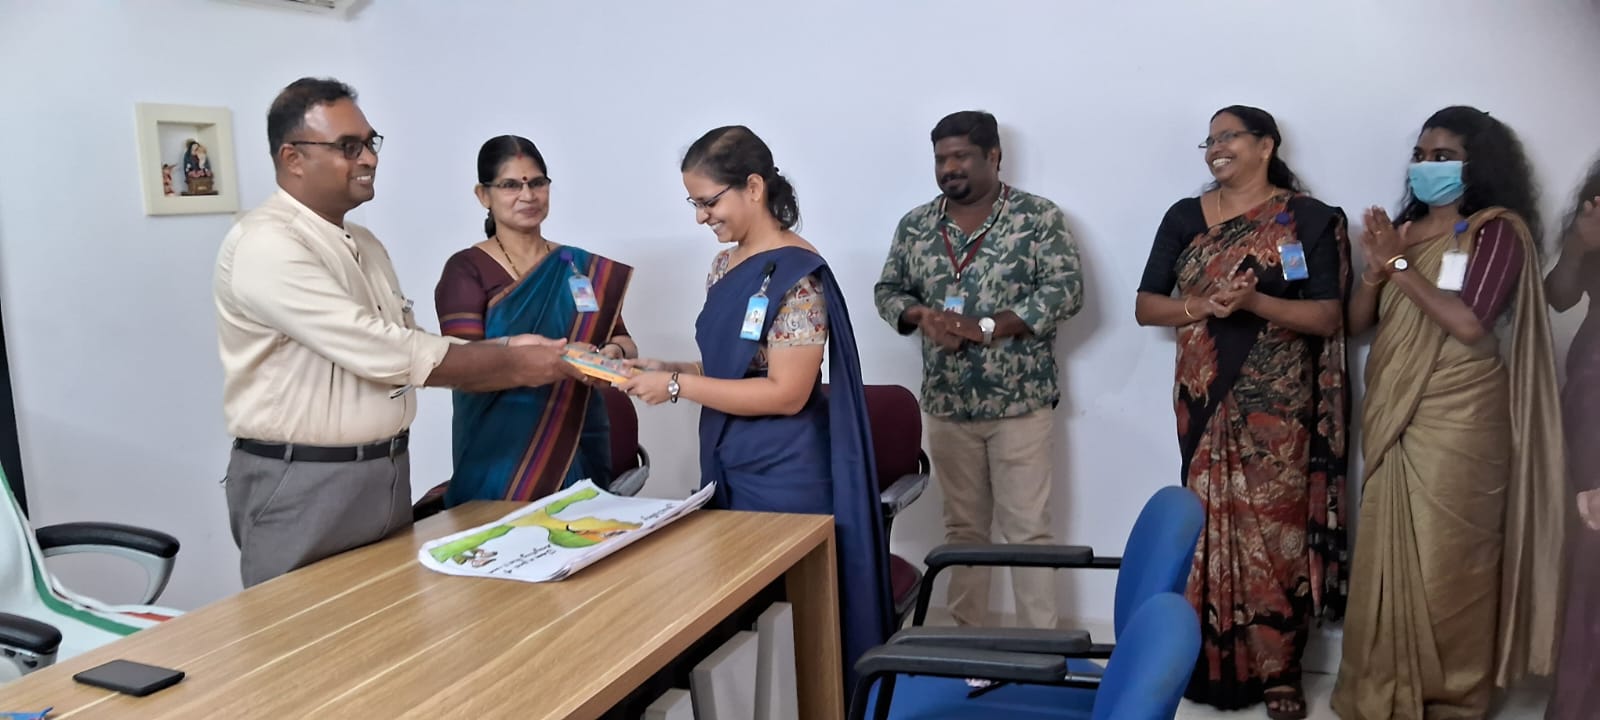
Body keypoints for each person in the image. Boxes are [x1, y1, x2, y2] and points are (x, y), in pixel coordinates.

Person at [212, 78, 582, 588]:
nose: (368, 158)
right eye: (348, 147)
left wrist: (508, 346)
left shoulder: (361, 240)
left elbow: (407, 337)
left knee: (388, 636)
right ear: (293, 158)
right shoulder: (267, 243)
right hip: (305, 480)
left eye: (370, 143)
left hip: (384, 469)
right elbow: (385, 350)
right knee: (301, 643)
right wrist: (515, 361)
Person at [617, 125, 893, 690]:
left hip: (786, 472)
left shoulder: (797, 274)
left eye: (708, 202)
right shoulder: (726, 266)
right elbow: (731, 370)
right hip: (729, 459)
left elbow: (787, 392)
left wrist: (677, 389)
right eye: (693, 204)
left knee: (794, 625)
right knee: (746, 630)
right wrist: (668, 369)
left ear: (753, 187)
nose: (700, 218)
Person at [1332, 106, 1566, 720]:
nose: (1427, 167)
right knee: (1390, 551)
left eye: (1444, 157)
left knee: (1451, 558)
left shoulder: (1496, 230)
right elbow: (1358, 324)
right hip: (1394, 411)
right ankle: (1386, 685)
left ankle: (1454, 693)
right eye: (1422, 154)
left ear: (1476, 164)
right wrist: (1377, 265)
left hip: (1461, 418)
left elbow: (1469, 322)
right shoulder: (1401, 232)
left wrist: (1400, 265)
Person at [1135, 105, 1350, 720]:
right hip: (1204, 399)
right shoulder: (1184, 217)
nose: (1215, 149)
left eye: (1228, 137)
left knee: (1274, 534)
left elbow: (1328, 316)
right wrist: (1200, 306)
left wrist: (1255, 301)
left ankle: (1279, 669)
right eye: (1210, 140)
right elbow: (1149, 306)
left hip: (1278, 406)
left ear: (1266, 145)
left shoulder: (1307, 219)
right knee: (1203, 528)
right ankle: (1202, 662)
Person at [873, 110, 1082, 632]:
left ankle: (1043, 645)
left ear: (993, 156)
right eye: (941, 158)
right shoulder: (917, 225)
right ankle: (972, 644)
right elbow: (888, 290)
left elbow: (1064, 290)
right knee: (963, 532)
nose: (950, 167)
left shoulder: (1038, 218)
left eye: (961, 155)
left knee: (1028, 530)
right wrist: (920, 315)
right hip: (946, 405)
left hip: (1019, 404)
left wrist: (986, 326)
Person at [433, 135, 636, 506]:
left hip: (578, 434)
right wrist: (541, 361)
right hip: (500, 449)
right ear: (484, 195)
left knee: (587, 542)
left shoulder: (576, 265)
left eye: (537, 183)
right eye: (511, 185)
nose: (528, 196)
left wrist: (605, 354)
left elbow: (624, 342)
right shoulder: (466, 269)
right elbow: (460, 363)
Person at [1542, 155, 1600, 720]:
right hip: (1595, 389)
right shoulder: (1595, 214)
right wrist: (1582, 244)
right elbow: (1556, 297)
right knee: (1592, 548)